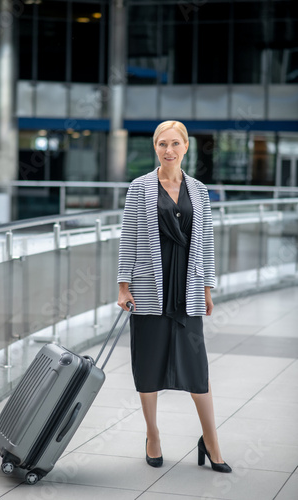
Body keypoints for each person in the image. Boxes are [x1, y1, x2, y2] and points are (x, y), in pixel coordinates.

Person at [117, 120, 231, 473]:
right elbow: (129, 239)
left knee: (197, 370)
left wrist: (207, 288)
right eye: (162, 144)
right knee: (148, 365)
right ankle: (153, 435)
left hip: (187, 289)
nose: (169, 150)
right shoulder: (139, 188)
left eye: (175, 144)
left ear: (186, 147)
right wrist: (124, 286)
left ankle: (210, 440)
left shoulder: (198, 190)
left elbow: (207, 243)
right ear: (155, 147)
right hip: (149, 288)